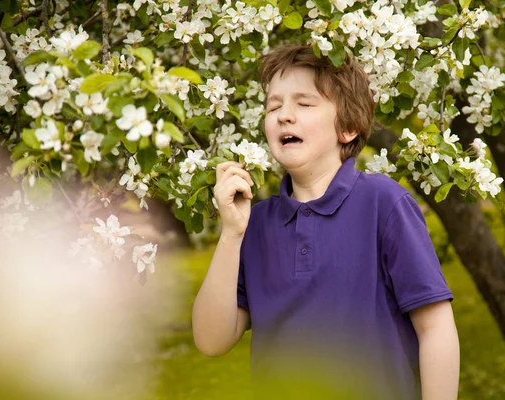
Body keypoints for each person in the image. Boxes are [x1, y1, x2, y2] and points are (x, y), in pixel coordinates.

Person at [192, 44, 459, 399]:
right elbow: (211, 341)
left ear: (347, 127)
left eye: (303, 104)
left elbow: (436, 329)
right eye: (274, 106)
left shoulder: (384, 203)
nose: (285, 115)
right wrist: (231, 234)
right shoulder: (254, 224)